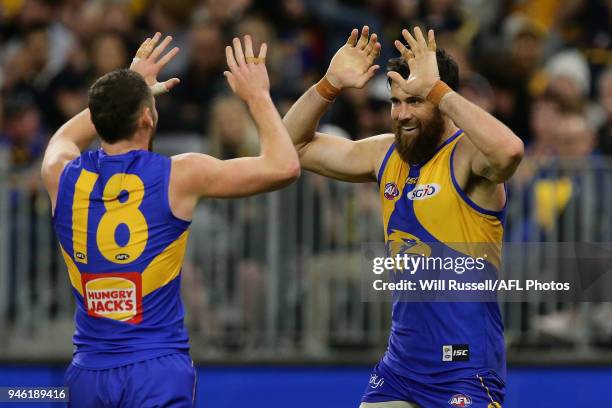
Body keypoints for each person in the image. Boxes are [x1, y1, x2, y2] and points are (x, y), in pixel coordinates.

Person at [40, 32, 299, 407]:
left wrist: (129, 84)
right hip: (155, 368)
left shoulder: (59, 174)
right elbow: (284, 167)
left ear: (98, 119)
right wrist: (257, 95)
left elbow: (63, 136)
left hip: (88, 373)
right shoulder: (179, 175)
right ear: (147, 115)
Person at [283, 26, 523, 407]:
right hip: (401, 367)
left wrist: (440, 91)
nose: (402, 114)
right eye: (396, 102)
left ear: (442, 101)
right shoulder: (385, 155)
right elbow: (291, 147)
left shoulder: (467, 157)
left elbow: (510, 151)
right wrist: (328, 85)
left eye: (415, 101)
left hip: (464, 365)